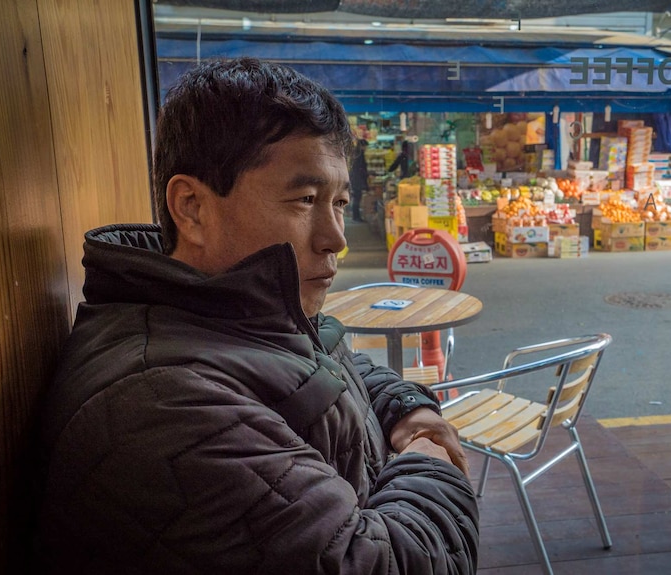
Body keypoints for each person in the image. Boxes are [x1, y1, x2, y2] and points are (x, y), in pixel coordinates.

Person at [36, 58, 478, 575]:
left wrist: (407, 408)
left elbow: (333, 363)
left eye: (339, 201)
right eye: (305, 199)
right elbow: (384, 562)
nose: (335, 237)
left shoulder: (236, 311)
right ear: (192, 206)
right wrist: (429, 457)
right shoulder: (162, 406)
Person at [349, 138, 369, 222]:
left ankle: (355, 216)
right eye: (365, 146)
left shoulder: (356, 154)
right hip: (357, 180)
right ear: (362, 146)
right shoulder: (360, 155)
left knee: (356, 198)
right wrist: (366, 175)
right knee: (357, 198)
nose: (366, 148)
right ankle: (356, 216)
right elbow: (361, 169)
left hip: (355, 179)